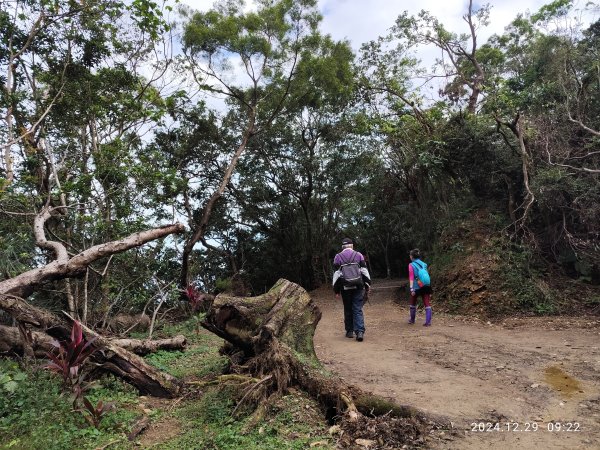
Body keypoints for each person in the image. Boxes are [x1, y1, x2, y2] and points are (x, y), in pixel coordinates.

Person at [333, 238, 371, 341]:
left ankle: (349, 331)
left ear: (342, 247)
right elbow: (364, 271)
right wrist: (367, 285)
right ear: (352, 246)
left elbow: (336, 275)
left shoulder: (338, 257)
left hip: (345, 287)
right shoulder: (358, 255)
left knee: (347, 308)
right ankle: (359, 332)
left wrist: (336, 291)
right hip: (358, 286)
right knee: (357, 308)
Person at [408, 248, 432, 326]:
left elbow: (411, 277)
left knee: (412, 303)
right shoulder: (424, 264)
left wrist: (411, 288)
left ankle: (412, 320)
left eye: (410, 255)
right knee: (427, 303)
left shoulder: (411, 265)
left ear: (412, 256)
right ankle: (428, 322)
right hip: (426, 286)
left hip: (416, 286)